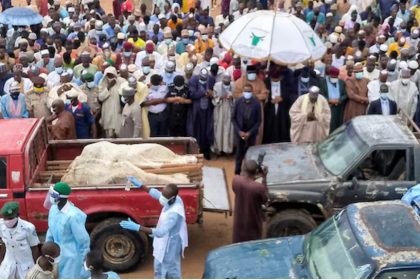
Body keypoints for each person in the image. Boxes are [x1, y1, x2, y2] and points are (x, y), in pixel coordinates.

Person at [120, 180, 188, 279]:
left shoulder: (174, 213)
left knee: (168, 269)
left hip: (169, 244)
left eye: (164, 197)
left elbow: (160, 233)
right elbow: (157, 194)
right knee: (165, 267)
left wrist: (138, 227)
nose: (161, 198)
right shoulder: (175, 198)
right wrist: (141, 185)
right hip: (167, 239)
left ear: (172, 198)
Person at [46, 182, 90, 279]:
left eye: (53, 194)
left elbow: (83, 241)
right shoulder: (53, 209)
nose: (50, 196)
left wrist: (84, 263)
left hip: (71, 259)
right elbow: (50, 231)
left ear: (60, 197)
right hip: (56, 256)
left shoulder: (73, 216)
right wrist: (47, 251)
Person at [0, 202, 40, 279]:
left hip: (26, 267)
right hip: (8, 265)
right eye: (5, 218)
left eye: (10, 218)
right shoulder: (1, 226)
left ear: (17, 215)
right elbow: (4, 244)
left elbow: (34, 248)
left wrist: (36, 267)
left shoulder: (28, 228)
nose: (7, 221)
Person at [232, 160, 268, 243]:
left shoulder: (236, 180)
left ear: (244, 169)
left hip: (239, 220)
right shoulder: (259, 187)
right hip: (253, 222)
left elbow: (244, 183)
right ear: (256, 172)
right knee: (252, 245)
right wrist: (264, 177)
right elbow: (265, 199)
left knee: (238, 243)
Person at [232, 84, 261, 175]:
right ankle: (237, 171)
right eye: (245, 91)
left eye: (249, 91)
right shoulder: (238, 102)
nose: (247, 93)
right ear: (243, 92)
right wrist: (239, 131)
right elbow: (233, 118)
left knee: (249, 153)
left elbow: (258, 121)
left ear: (252, 92)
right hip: (239, 132)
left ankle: (248, 172)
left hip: (250, 133)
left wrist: (250, 132)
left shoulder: (256, 103)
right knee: (239, 153)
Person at [263, 65, 296, 143]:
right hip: (270, 108)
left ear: (281, 77)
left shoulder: (286, 82)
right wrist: (269, 98)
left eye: (277, 80)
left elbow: (291, 94)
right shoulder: (266, 82)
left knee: (282, 126)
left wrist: (282, 98)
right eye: (273, 80)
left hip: (283, 109)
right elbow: (263, 93)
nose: (274, 81)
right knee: (269, 126)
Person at [188, 68, 215, 159]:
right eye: (202, 78)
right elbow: (192, 95)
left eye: (205, 78)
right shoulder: (193, 80)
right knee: (196, 130)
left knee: (207, 130)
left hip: (207, 109)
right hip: (197, 110)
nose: (204, 80)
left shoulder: (211, 79)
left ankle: (206, 151)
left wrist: (211, 94)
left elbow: (214, 93)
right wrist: (203, 92)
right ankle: (196, 150)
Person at [212, 73, 234, 155]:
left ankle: (227, 150)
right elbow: (214, 97)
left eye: (227, 81)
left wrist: (232, 97)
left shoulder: (233, 86)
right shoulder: (217, 86)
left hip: (229, 108)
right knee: (218, 128)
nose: (226, 82)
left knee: (228, 129)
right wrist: (220, 97)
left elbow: (236, 97)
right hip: (219, 109)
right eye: (224, 81)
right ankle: (218, 149)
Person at [98, 67, 124, 138]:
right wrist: (108, 87)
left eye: (111, 75)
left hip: (118, 112)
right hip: (107, 113)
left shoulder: (121, 81)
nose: (110, 77)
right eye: (108, 75)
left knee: (119, 134)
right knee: (109, 135)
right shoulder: (102, 82)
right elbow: (100, 97)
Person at [319, 66, 347, 132]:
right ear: (329, 75)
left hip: (339, 107)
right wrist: (329, 100)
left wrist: (339, 100)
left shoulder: (341, 82)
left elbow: (345, 94)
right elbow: (321, 95)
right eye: (333, 77)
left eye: (336, 77)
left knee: (338, 125)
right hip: (328, 107)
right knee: (329, 125)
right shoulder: (323, 82)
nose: (334, 78)